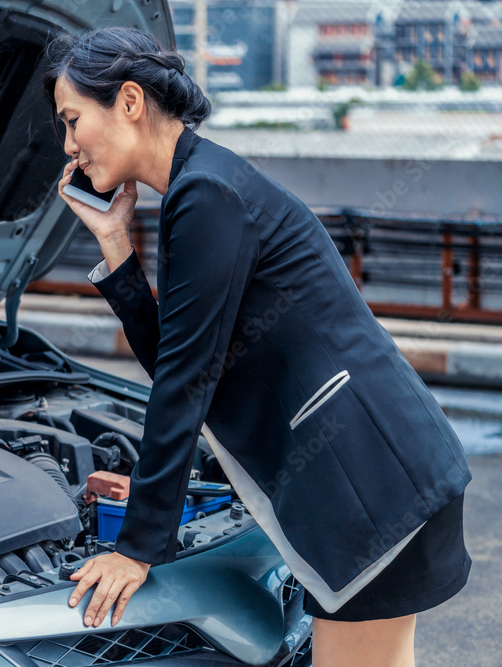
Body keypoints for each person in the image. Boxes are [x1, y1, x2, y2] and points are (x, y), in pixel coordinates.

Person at [41, 26, 472, 667]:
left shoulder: (206, 195)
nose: (70, 145)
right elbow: (184, 360)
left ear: (129, 101)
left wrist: (137, 548)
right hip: (380, 475)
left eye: (73, 120)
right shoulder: (202, 185)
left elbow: (183, 383)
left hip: (369, 487)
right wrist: (116, 248)